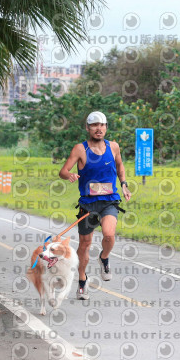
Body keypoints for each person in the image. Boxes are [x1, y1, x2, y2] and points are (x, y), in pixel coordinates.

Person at [58, 111, 131, 300]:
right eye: (94, 125)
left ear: (106, 127)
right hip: (88, 204)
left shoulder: (113, 147)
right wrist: (70, 175)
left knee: (109, 234)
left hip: (109, 201)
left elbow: (120, 166)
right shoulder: (80, 149)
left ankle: (104, 257)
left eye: (102, 125)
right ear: (88, 128)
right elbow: (63, 171)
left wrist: (123, 184)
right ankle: (82, 281)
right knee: (85, 244)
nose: (99, 129)